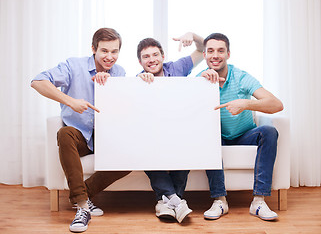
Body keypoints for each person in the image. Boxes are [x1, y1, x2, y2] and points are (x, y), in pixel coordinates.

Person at [31, 28, 131, 233]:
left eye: (114, 52)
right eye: (104, 51)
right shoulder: (73, 66)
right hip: (80, 135)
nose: (109, 57)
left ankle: (80, 195)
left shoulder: (120, 72)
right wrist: (70, 101)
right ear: (93, 49)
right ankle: (83, 208)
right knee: (64, 134)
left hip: (105, 135)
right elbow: (37, 82)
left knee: (131, 155)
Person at [198, 33, 284, 221]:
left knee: (269, 131)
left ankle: (258, 202)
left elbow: (276, 104)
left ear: (228, 54)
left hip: (244, 135)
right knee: (209, 133)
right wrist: (201, 85)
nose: (215, 55)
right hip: (216, 137)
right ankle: (219, 200)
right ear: (204, 55)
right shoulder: (199, 79)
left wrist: (246, 103)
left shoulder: (241, 77)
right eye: (210, 51)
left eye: (221, 51)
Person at [136, 32, 204, 223]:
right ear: (140, 62)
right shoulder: (137, 80)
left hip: (178, 131)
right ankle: (177, 200)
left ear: (163, 56)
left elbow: (202, 49)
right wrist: (141, 87)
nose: (151, 60)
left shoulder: (177, 68)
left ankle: (164, 202)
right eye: (146, 57)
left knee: (186, 145)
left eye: (155, 54)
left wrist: (194, 36)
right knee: (144, 147)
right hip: (153, 135)